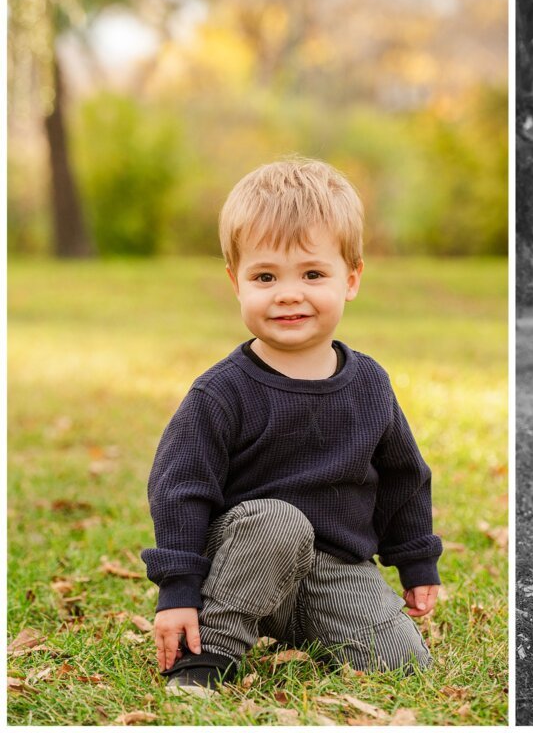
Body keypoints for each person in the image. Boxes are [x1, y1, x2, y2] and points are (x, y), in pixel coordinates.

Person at [141, 159, 442, 695]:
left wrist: (416, 561)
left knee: (404, 663)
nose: (287, 293)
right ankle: (213, 649)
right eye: (265, 276)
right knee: (282, 522)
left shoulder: (369, 384)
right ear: (235, 282)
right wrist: (178, 590)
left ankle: (304, 627)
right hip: (245, 555)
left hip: (337, 570)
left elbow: (403, 477)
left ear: (350, 279)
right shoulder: (222, 392)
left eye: (312, 274)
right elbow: (179, 489)